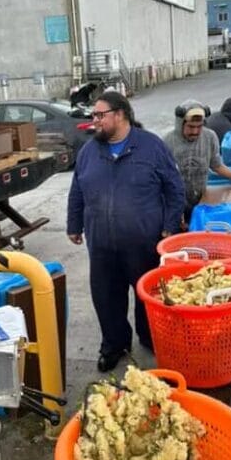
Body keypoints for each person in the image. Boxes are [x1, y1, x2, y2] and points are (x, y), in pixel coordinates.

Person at [67, 91, 185, 372]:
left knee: (147, 296)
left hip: (143, 242)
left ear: (120, 115)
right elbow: (77, 190)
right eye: (93, 115)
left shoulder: (151, 147)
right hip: (102, 244)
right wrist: (74, 223)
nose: (94, 121)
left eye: (100, 115)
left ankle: (149, 337)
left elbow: (174, 188)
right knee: (106, 297)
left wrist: (169, 226)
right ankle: (114, 345)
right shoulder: (89, 152)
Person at [164, 99, 231, 222]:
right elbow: (165, 181)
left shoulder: (209, 137)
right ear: (180, 124)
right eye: (190, 127)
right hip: (176, 204)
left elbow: (218, 166)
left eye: (199, 127)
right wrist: (176, 210)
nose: (195, 131)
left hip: (201, 199)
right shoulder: (167, 142)